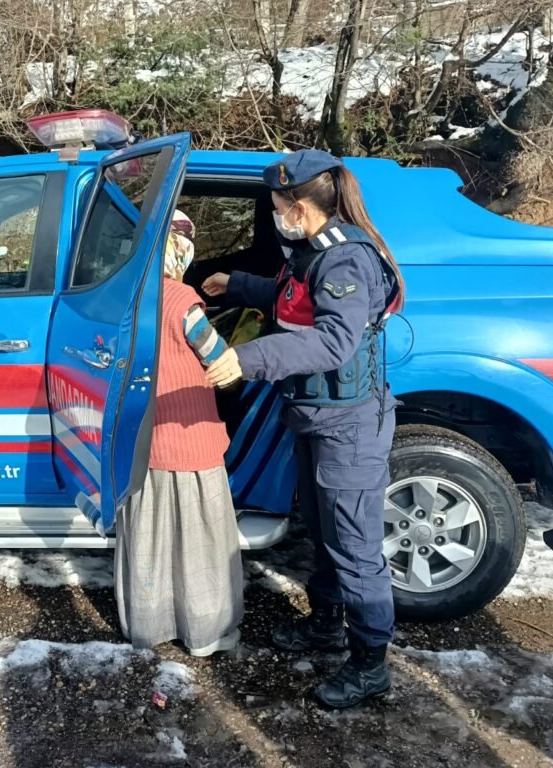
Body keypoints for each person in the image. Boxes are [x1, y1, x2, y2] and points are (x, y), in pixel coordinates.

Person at [202, 150, 405, 709]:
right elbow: (291, 299)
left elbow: (334, 341)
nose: (275, 215)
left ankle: (370, 665)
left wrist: (247, 358)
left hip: (349, 427)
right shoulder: (312, 252)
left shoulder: (345, 260)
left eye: (277, 206)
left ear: (299, 206)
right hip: (318, 417)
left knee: (354, 546)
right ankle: (326, 624)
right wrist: (236, 284)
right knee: (322, 529)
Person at [114, 210, 244, 657]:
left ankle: (150, 624)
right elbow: (214, 353)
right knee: (198, 538)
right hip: (189, 436)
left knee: (152, 537)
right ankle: (205, 630)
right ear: (179, 252)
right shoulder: (180, 298)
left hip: (146, 439)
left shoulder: (126, 295)